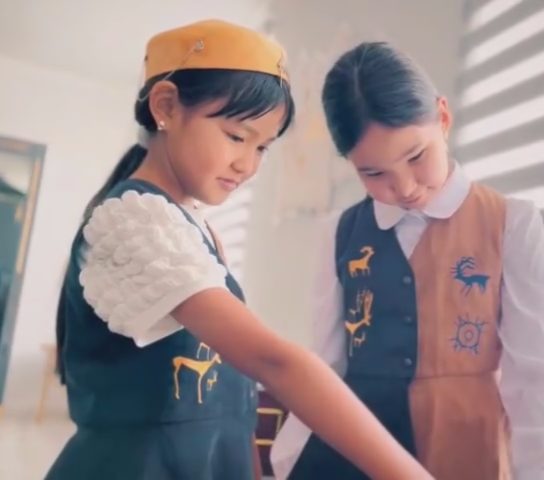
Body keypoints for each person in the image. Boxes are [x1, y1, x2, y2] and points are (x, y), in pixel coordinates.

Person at [47, 21, 433, 480]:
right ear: (166, 106)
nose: (247, 165)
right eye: (236, 136)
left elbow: (233, 398)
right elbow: (274, 363)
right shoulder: (133, 221)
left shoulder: (195, 229)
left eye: (263, 147)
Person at [271, 41, 544, 480]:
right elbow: (326, 365)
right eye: (373, 173)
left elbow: (540, 372)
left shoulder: (510, 222)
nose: (404, 187)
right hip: (357, 450)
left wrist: (541, 472)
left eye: (416, 156)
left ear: (443, 118)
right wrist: (288, 461)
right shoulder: (338, 232)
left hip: (465, 448)